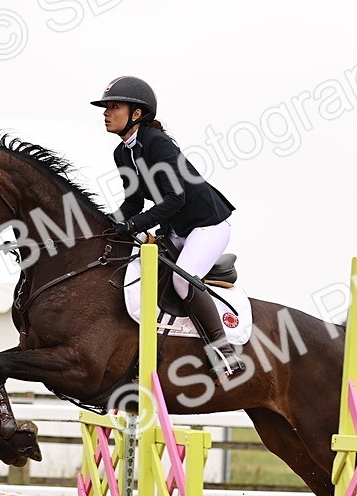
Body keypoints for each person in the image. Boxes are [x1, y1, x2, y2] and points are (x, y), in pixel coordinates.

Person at [91, 75, 245, 380]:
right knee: (137, 267)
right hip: (176, 229)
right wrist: (109, 224)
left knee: (182, 281)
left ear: (136, 114)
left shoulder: (155, 143)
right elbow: (134, 201)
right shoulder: (122, 153)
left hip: (207, 226)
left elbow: (176, 198)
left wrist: (133, 225)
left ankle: (223, 353)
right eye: (105, 107)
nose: (106, 113)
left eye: (114, 106)